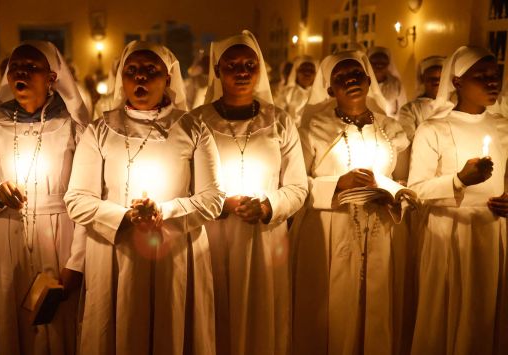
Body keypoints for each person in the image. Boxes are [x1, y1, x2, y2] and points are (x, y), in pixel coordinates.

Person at [64, 40, 224, 355]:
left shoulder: (192, 127)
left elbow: (213, 198)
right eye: (132, 71)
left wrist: (164, 210)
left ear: (167, 79)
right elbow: (77, 199)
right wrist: (124, 216)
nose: (140, 78)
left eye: (151, 71)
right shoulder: (100, 129)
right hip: (115, 249)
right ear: (121, 79)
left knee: (172, 327)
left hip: (175, 249)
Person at [187, 30, 307, 355]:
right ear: (217, 71)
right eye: (232, 65)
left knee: (262, 320)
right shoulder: (196, 122)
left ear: (260, 70)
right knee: (215, 315)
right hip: (213, 236)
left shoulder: (280, 122)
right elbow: (184, 184)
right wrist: (219, 204)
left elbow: (298, 186)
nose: (241, 72)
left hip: (265, 238)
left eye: (249, 65)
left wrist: (268, 206)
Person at [291, 50, 410, 355]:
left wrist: (392, 193)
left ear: (369, 81)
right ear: (330, 90)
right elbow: (296, 182)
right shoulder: (313, 129)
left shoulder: (392, 130)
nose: (351, 81)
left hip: (381, 226)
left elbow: (407, 180)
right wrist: (337, 184)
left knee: (378, 302)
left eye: (356, 75)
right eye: (341, 78)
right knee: (333, 304)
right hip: (331, 226)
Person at [0, 41, 89, 355]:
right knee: (11, 322)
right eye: (15, 67)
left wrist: (76, 262)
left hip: (60, 236)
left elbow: (87, 196)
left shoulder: (72, 127)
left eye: (31, 67)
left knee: (57, 323)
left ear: (52, 77)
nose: (20, 72)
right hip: (6, 239)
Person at [408, 46, 508, 355]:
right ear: (457, 82)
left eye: (495, 76)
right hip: (448, 234)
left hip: (494, 233)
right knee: (447, 314)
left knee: (486, 317)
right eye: (482, 77)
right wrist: (459, 180)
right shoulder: (433, 129)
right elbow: (416, 191)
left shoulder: (504, 127)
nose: (492, 83)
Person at [397, 56, 444, 141]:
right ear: (423, 79)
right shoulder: (409, 110)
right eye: (432, 78)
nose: (436, 82)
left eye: (440, 78)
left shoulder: (454, 106)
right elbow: (408, 139)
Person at [275, 55, 317, 126]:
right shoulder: (287, 93)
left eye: (311, 70)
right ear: (296, 72)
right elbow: (278, 116)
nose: (307, 73)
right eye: (303, 69)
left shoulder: (320, 95)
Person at [368, 46, 407, 117]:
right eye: (375, 62)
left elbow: (403, 106)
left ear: (388, 63)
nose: (379, 65)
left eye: (383, 62)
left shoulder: (395, 84)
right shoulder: (364, 83)